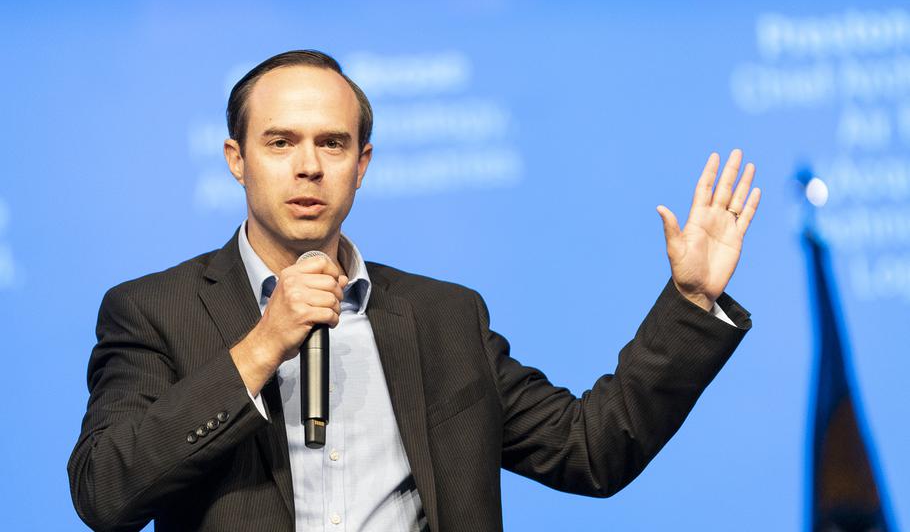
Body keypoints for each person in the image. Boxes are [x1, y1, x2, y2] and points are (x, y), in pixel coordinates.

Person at [68, 50, 761, 532]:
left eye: (332, 144)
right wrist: (260, 348)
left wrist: (691, 302)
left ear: (362, 164)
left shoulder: (443, 318)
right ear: (236, 160)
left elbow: (592, 449)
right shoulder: (153, 311)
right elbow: (106, 492)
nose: (308, 166)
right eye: (280, 143)